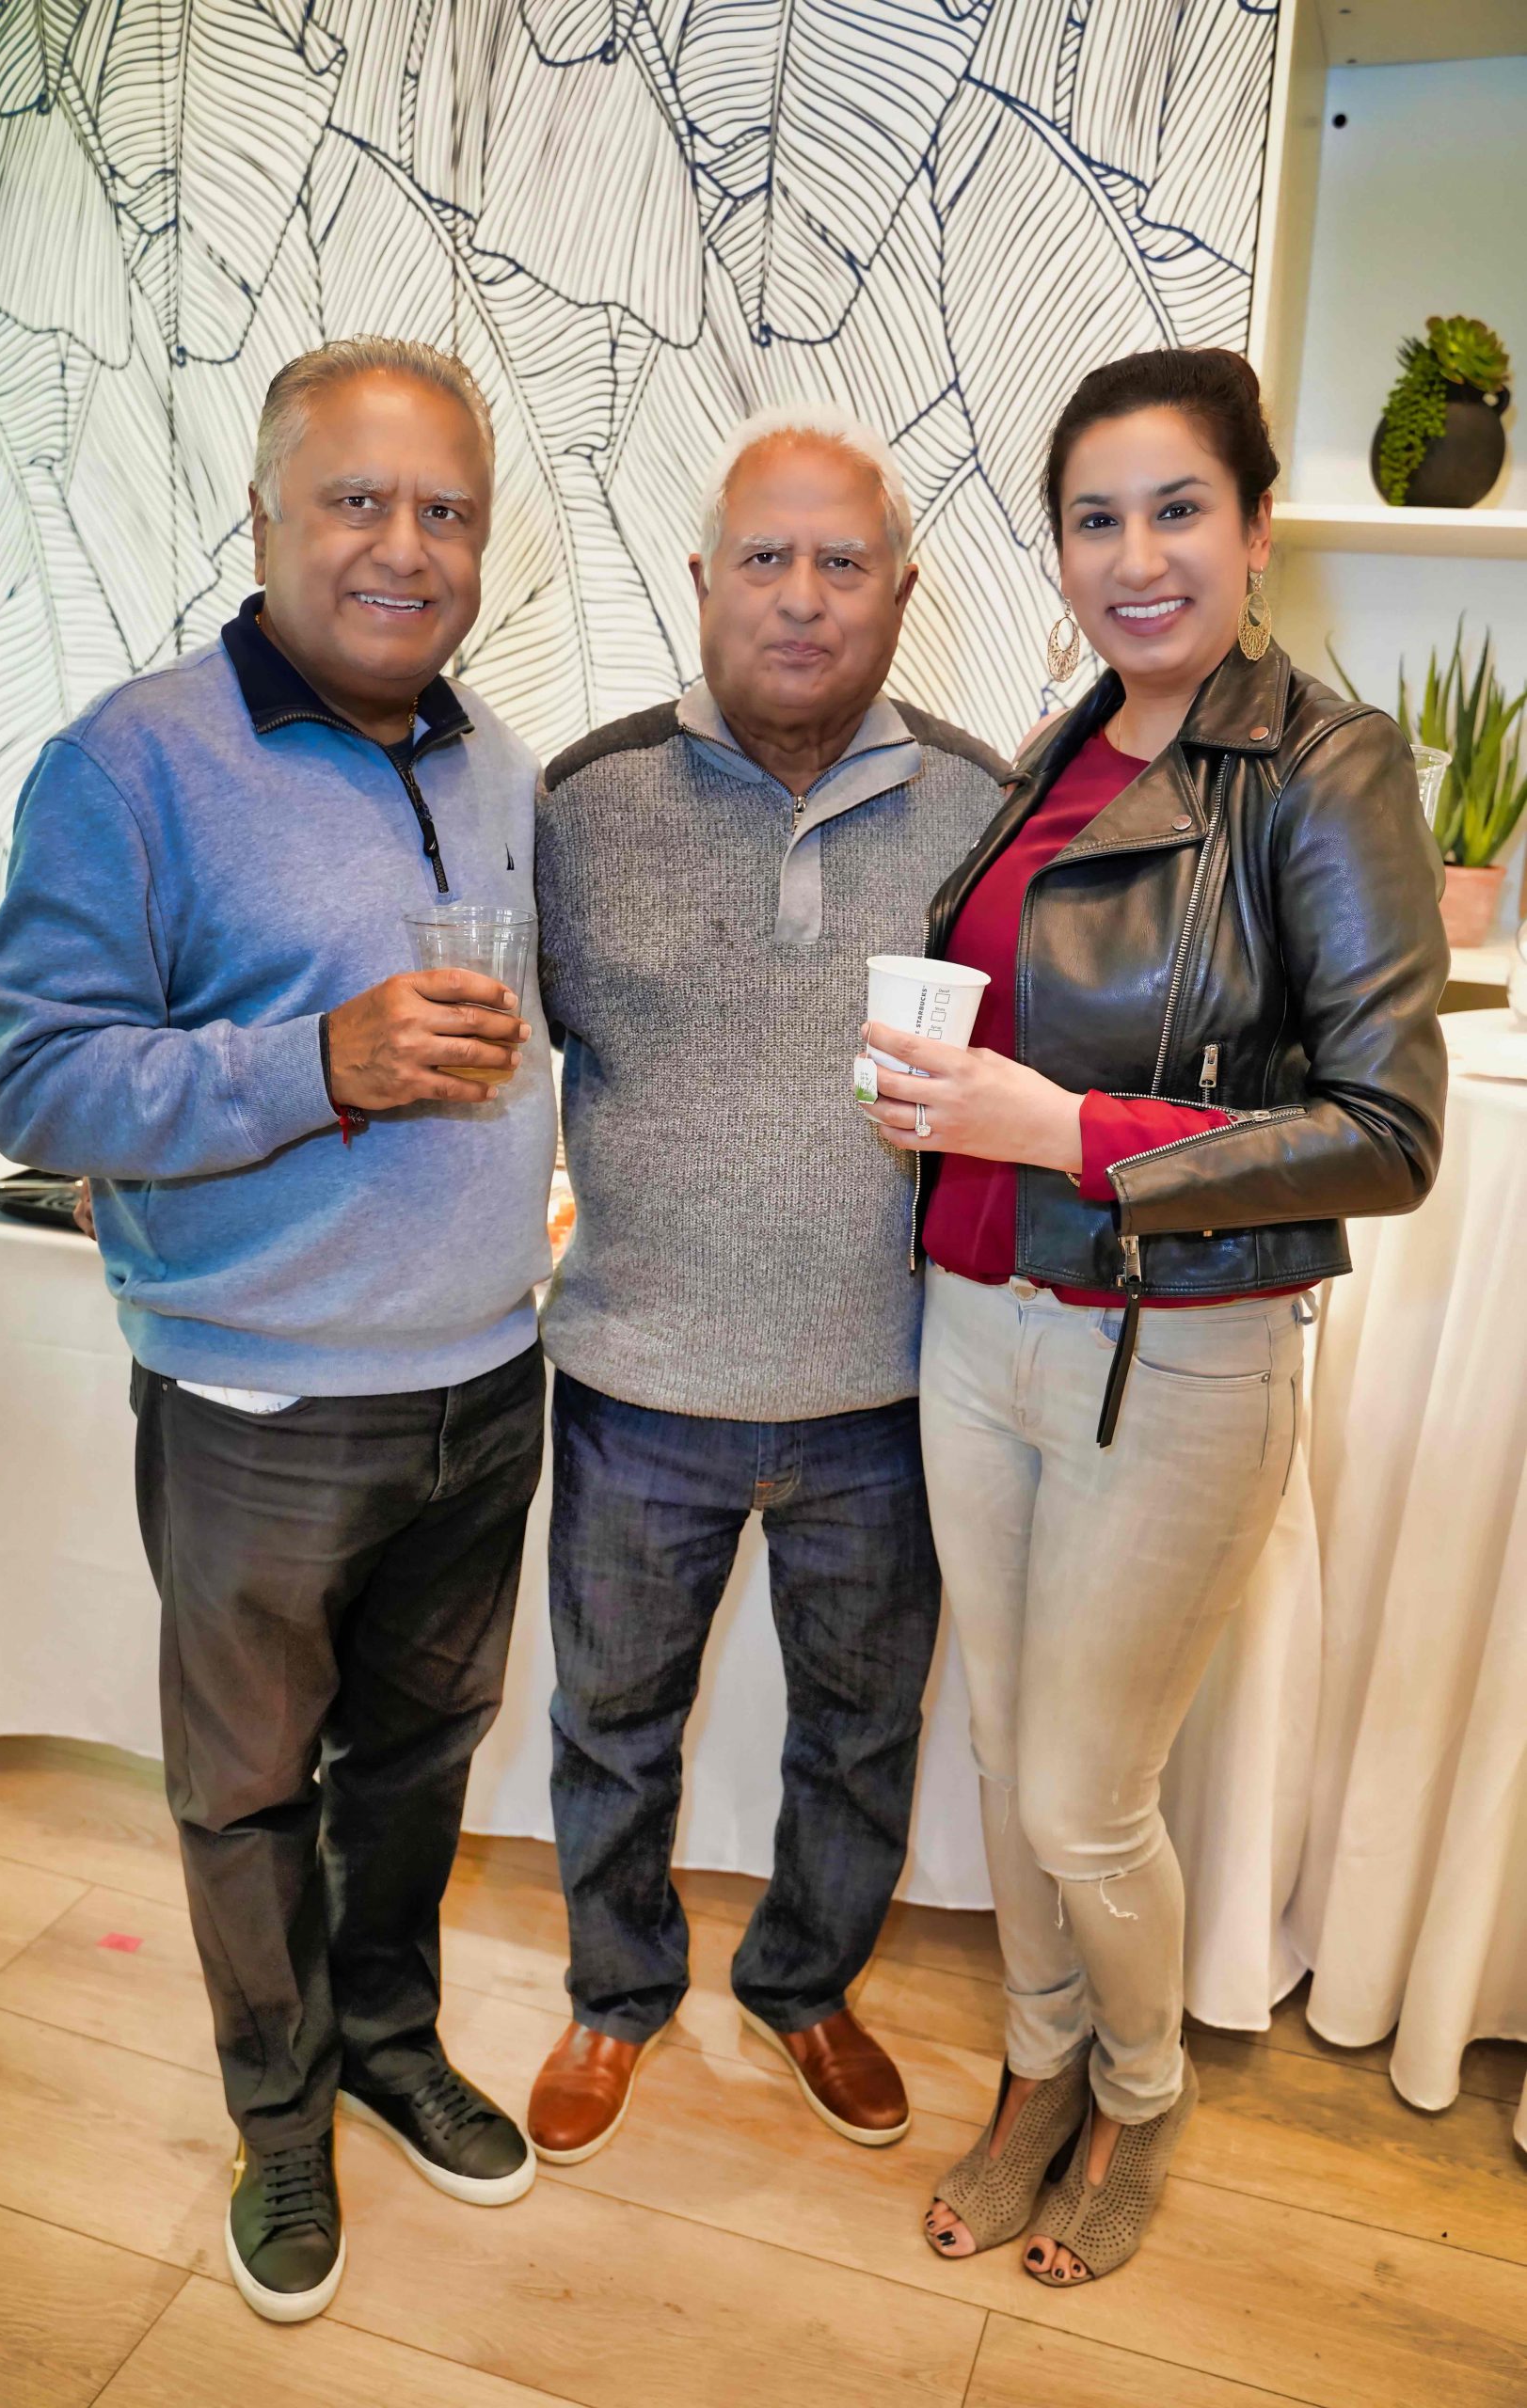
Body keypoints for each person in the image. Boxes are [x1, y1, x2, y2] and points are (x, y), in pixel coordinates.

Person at [0, 339, 557, 2323]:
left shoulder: (496, 762)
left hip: (483, 1378)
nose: (406, 546)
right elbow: (40, 1085)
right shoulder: (129, 764)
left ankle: (387, 2040)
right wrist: (318, 1060)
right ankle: (279, 2106)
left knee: (419, 1759)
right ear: (263, 515)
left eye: (447, 510)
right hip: (257, 1397)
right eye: (358, 499)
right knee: (247, 1787)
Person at [858, 346, 1447, 2286]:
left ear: (1256, 526)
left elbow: (1385, 1131)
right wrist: (942, 1108)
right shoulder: (1062, 748)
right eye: (1093, 519)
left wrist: (1066, 1130)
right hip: (978, 1325)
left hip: (1171, 1350)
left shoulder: (1327, 768)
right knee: (1005, 1755)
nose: (1135, 557)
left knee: (1080, 1795)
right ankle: (1037, 2067)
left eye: (1177, 509)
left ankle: (1139, 2084)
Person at [526, 404, 1011, 2164]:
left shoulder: (981, 810)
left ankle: (806, 1982)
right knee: (611, 1725)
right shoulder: (580, 806)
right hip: (636, 1383)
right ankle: (614, 1994)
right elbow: (500, 1062)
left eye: (841, 561)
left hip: (889, 1389)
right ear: (701, 581)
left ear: (901, 591)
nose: (801, 595)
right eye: (764, 557)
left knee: (861, 1733)